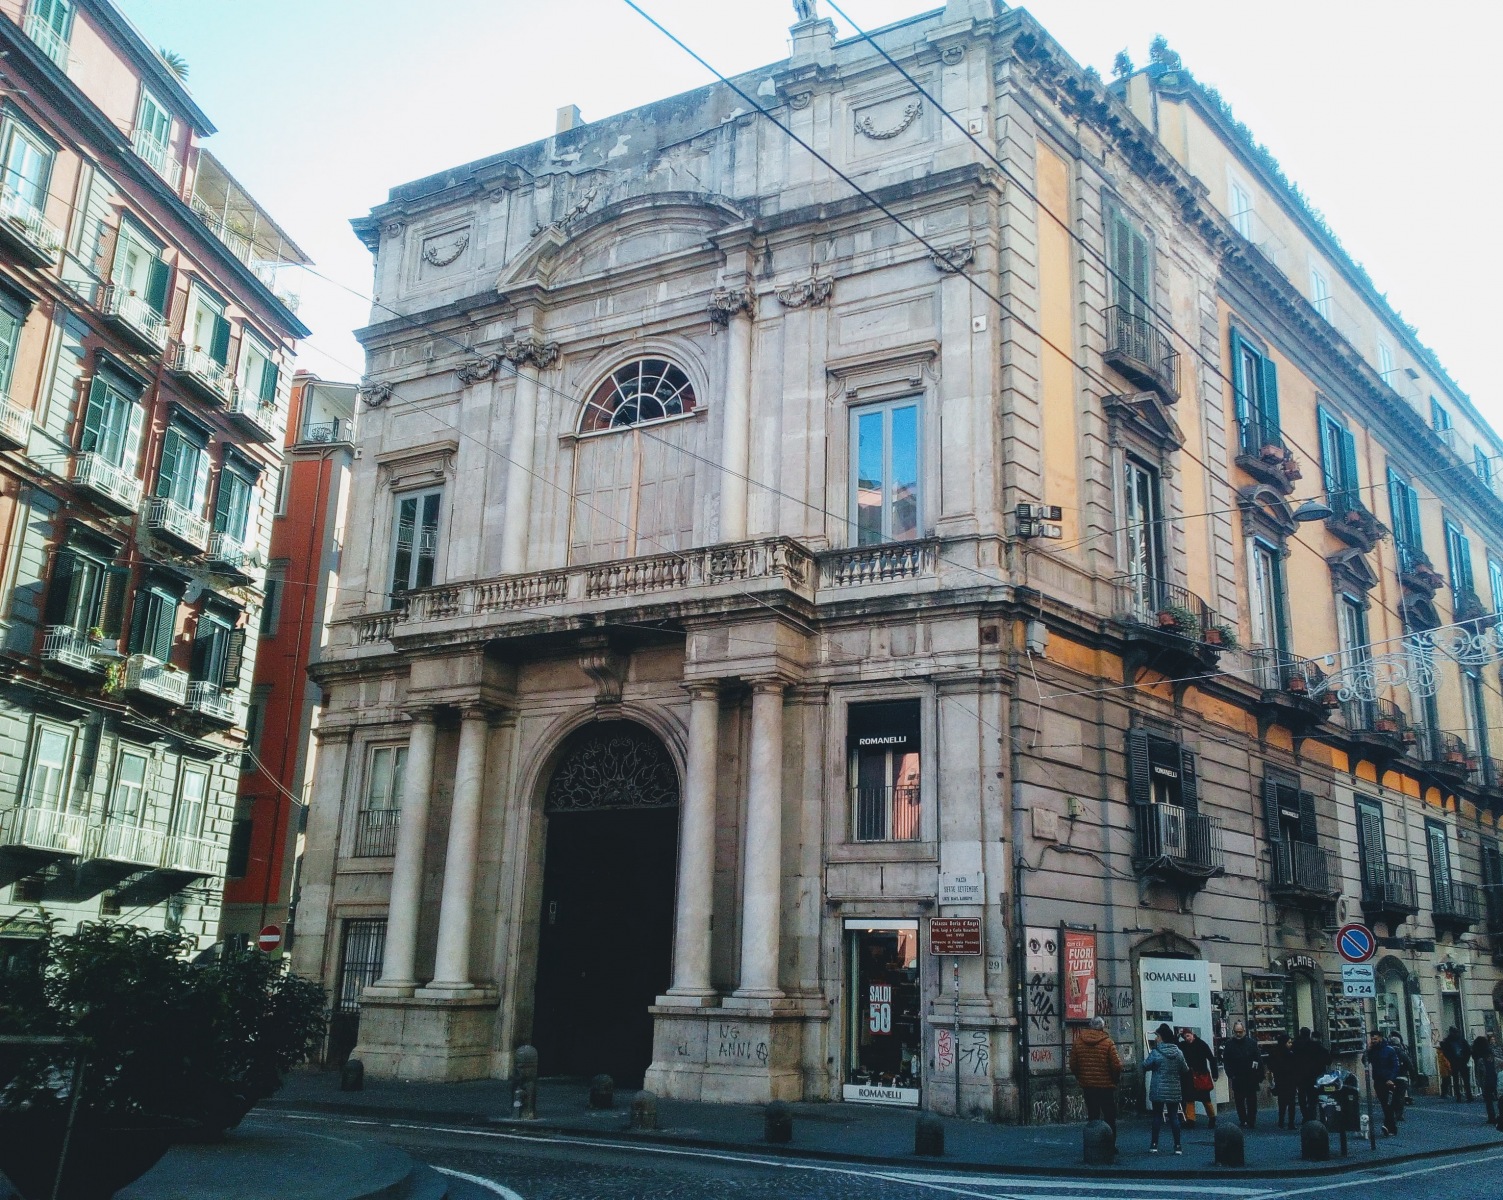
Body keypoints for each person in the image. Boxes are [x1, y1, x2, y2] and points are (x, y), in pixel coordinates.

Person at [1069, 1016, 1123, 1134]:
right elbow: (1117, 1065)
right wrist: (1115, 1079)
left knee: (1093, 1115)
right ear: (1102, 1027)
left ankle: (1093, 1143)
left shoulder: (1078, 1042)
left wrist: (1081, 1077)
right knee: (1109, 1116)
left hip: (1088, 1085)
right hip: (1106, 1086)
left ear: (1090, 1026)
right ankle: (1110, 1144)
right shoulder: (1108, 1043)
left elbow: (1073, 1064)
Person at [1144, 1023, 1188, 1155]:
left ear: (1161, 1037)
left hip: (1158, 1088)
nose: (1156, 1038)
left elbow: (1145, 1065)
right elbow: (1185, 1069)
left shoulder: (1156, 1052)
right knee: (1174, 1117)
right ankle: (1178, 1146)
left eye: (1157, 1036)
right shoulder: (1178, 1052)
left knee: (1157, 1116)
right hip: (1174, 1088)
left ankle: (1154, 1144)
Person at [1222, 1021, 1263, 1128]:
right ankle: (1243, 1119)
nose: (1238, 1034)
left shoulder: (1251, 1043)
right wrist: (1231, 1074)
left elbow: (1258, 1058)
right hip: (1238, 1076)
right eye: (1236, 1032)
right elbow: (1226, 1061)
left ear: (1244, 1031)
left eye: (1240, 1032)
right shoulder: (1229, 1044)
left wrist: (1258, 1073)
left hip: (1250, 1076)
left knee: (1251, 1100)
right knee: (1239, 1101)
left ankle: (1251, 1119)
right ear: (1233, 1032)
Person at [1178, 1027, 1217, 1128]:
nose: (1187, 1038)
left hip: (1200, 1074)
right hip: (1190, 1075)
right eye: (1185, 1037)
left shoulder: (1201, 1044)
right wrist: (1177, 1035)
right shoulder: (1184, 1045)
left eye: (1188, 1036)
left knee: (1205, 1099)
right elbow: (1175, 1043)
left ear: (1192, 1034)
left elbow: (1211, 1059)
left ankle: (1212, 1117)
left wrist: (1215, 1074)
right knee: (1189, 1098)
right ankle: (1191, 1120)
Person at [1365, 1030, 1401, 1136]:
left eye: (1375, 1039)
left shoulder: (1389, 1050)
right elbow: (1365, 1061)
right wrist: (1368, 1050)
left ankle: (1389, 1127)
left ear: (1380, 1038)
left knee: (1388, 1104)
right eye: (1372, 1039)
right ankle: (1390, 1127)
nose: (1373, 1041)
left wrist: (1391, 1078)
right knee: (1385, 1104)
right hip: (1378, 1081)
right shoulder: (1373, 1051)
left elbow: (1395, 1066)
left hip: (1388, 1082)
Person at [1292, 1027, 1330, 1123]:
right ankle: (1311, 1116)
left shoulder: (1300, 1047)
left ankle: (1306, 1115)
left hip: (1302, 1075)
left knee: (1302, 1096)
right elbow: (1328, 1061)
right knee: (1313, 1098)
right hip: (1316, 1077)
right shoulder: (1321, 1049)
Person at [1268, 1031, 1298, 1129]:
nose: (1291, 1044)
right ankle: (1290, 1122)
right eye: (1289, 1042)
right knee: (1291, 1102)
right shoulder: (1290, 1054)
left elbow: (1270, 1065)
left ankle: (1281, 1121)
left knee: (1282, 1102)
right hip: (1289, 1080)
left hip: (1280, 1080)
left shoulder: (1275, 1052)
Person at [1472, 1033, 1498, 1124]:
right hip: (1495, 1078)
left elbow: (1479, 1073)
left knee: (1489, 1100)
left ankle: (1492, 1117)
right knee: (1498, 1098)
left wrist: (1479, 1082)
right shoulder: (1491, 1054)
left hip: (1486, 1080)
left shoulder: (1479, 1058)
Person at [1388, 1034, 1414, 1123]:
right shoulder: (1403, 1053)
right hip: (1402, 1078)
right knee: (1400, 1096)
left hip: (1390, 1078)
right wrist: (1412, 1075)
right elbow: (1410, 1065)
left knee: (1392, 1095)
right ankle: (1399, 1114)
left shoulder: (1388, 1053)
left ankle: (1391, 1112)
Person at [1442, 1027, 1473, 1102]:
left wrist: (1465, 1060)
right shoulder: (1454, 1040)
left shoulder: (1460, 1040)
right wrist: (1451, 1059)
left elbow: (1468, 1051)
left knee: (1462, 1080)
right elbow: (1446, 1052)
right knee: (1460, 1080)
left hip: (1460, 1062)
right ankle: (1462, 1096)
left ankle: (1466, 1096)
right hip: (1457, 1062)